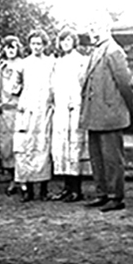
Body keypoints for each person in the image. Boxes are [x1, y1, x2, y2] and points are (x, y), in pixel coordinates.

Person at [79, 13, 133, 213]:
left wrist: (125, 107)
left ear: (107, 28)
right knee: (97, 157)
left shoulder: (113, 50)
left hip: (110, 114)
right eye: (91, 26)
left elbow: (126, 84)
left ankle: (115, 197)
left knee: (112, 158)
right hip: (94, 114)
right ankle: (102, 193)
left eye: (96, 26)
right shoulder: (96, 50)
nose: (93, 30)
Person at [48, 29, 90, 203]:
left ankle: (76, 189)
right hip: (60, 108)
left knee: (74, 147)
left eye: (69, 40)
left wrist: (76, 101)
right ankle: (66, 188)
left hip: (74, 108)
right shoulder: (58, 62)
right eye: (63, 40)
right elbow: (53, 86)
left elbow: (84, 84)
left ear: (74, 42)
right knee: (62, 147)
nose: (65, 43)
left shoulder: (81, 61)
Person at [13, 30, 54, 202]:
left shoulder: (51, 63)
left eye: (39, 44)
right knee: (26, 146)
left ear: (44, 45)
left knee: (43, 145)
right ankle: (27, 189)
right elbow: (14, 86)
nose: (36, 47)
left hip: (44, 109)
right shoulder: (23, 64)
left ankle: (43, 189)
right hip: (27, 109)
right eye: (33, 43)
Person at [0, 35, 23, 195]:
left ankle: (21, 179)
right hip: (4, 110)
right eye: (7, 47)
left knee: (19, 144)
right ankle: (12, 177)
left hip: (18, 109)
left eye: (13, 47)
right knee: (6, 146)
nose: (10, 50)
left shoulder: (23, 65)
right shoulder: (1, 66)